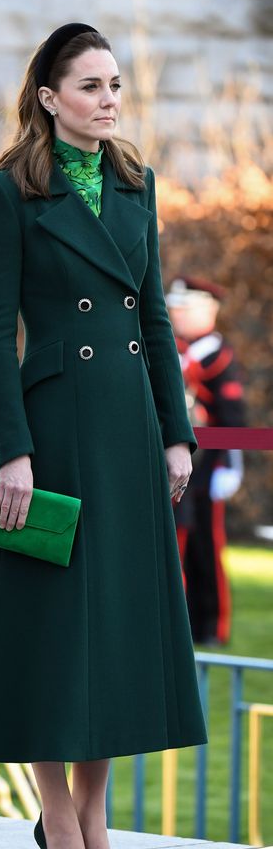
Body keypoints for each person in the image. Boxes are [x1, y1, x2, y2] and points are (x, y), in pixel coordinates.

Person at [0, 23, 207, 849]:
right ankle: (55, 817)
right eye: (93, 85)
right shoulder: (5, 193)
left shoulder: (136, 185)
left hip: (129, 428)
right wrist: (14, 452)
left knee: (112, 627)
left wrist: (175, 432)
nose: (110, 100)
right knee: (50, 627)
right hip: (56, 430)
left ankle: (95, 816)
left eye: (115, 85)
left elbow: (152, 320)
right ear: (49, 97)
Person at [167, 276, 246, 645]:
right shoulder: (178, 349)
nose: (176, 314)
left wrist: (230, 464)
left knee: (208, 550)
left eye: (185, 308)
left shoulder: (216, 354)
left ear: (207, 311)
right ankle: (184, 621)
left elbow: (231, 416)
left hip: (208, 467)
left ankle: (214, 626)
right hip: (179, 464)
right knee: (180, 545)